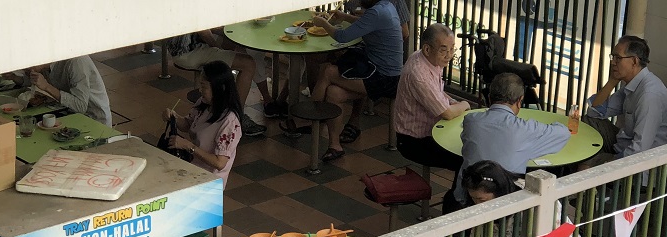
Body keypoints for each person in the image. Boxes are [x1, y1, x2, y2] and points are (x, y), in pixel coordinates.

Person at [283, 0, 403, 161]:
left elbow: (342, 36)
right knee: (334, 92)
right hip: (377, 71)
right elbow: (364, 23)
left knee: (328, 71)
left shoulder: (378, 12)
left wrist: (322, 23)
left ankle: (306, 118)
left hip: (385, 78)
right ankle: (335, 145)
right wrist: (344, 17)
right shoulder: (385, 6)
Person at [444, 72, 571, 213]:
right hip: (508, 201)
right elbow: (563, 133)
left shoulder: (471, 121)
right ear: (519, 101)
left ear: (490, 97)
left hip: (467, 196)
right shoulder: (526, 129)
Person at [584, 35, 667, 166]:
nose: (613, 62)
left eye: (618, 58)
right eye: (613, 57)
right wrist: (612, 81)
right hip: (623, 146)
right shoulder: (632, 84)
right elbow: (594, 112)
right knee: (589, 122)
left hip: (645, 167)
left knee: (585, 166)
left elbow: (640, 149)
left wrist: (609, 163)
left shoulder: (649, 94)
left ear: (634, 61)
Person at [394, 23, 470, 172]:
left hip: (432, 130)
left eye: (452, 48)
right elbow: (447, 113)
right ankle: (455, 196)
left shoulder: (426, 59)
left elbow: (438, 93)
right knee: (467, 159)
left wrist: (454, 103)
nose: (449, 55)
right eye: (443, 50)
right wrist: (465, 104)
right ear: (427, 49)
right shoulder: (419, 74)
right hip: (415, 141)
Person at [167, 30, 267, 137]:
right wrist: (218, 49)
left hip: (179, 48)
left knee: (229, 41)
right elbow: (204, 32)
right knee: (248, 63)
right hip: (188, 51)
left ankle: (224, 109)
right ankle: (237, 115)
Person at [160, 61, 243, 188]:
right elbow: (187, 124)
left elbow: (219, 163)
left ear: (220, 88)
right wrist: (174, 117)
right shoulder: (203, 104)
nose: (200, 90)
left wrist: (189, 146)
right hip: (191, 167)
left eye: (204, 87)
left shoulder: (229, 122)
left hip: (208, 180)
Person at [9, 56, 112, 127]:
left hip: (94, 119)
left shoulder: (76, 62)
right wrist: (13, 77)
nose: (27, 67)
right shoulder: (44, 64)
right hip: (70, 114)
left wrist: (47, 87)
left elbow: (80, 106)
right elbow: (33, 81)